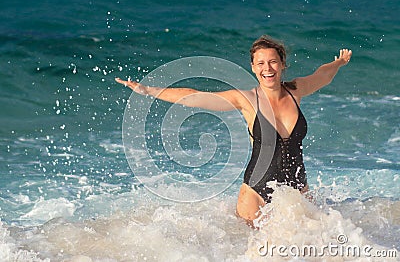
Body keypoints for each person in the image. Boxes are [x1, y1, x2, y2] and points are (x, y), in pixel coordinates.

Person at [115, 35, 352, 225]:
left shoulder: (296, 91)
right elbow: (195, 98)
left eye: (272, 62)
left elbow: (323, 75)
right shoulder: (246, 100)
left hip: (297, 190)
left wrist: (339, 63)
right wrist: (150, 90)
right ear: (252, 67)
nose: (267, 68)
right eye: (260, 63)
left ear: (282, 65)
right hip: (255, 194)